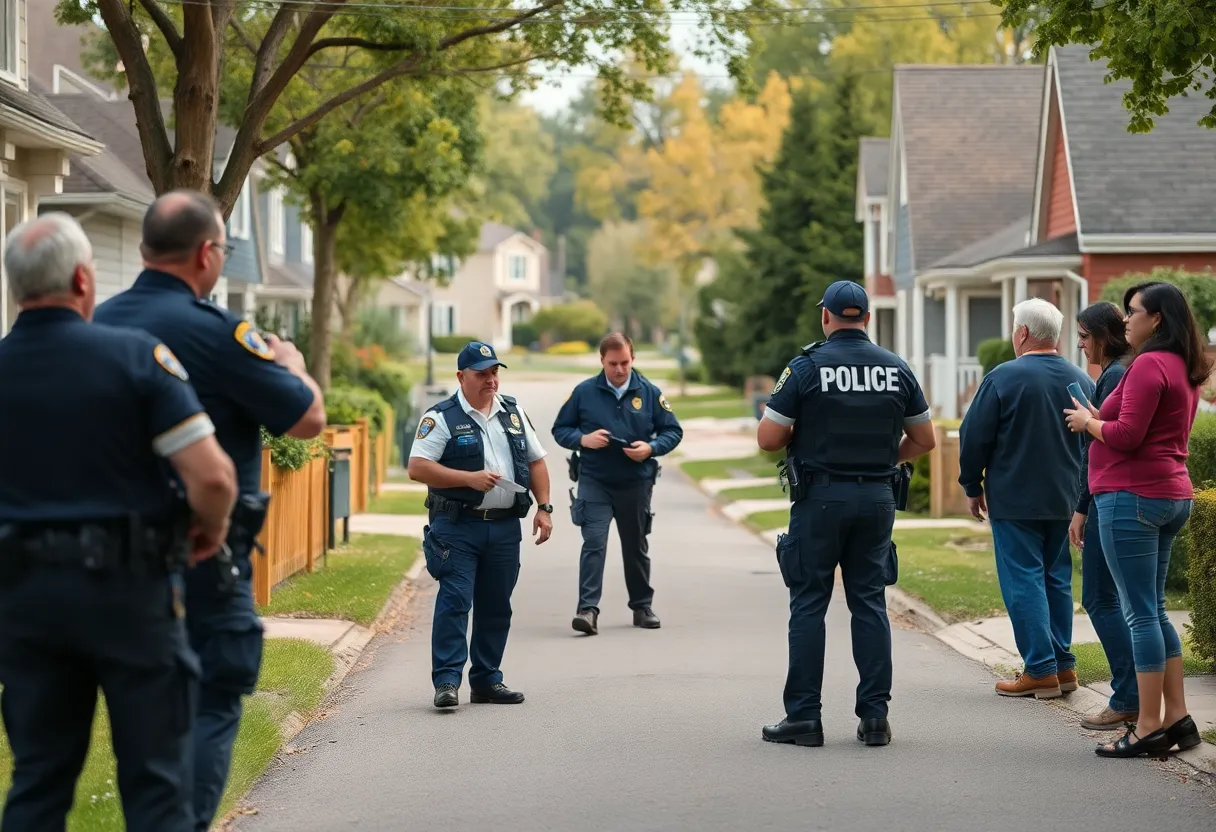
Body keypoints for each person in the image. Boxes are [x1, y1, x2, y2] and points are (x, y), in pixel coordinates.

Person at [93, 189, 326, 831]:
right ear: (206, 253)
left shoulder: (100, 325)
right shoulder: (221, 334)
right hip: (205, 554)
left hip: (113, 557)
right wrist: (295, 365)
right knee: (214, 697)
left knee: (140, 712)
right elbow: (306, 419)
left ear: (144, 250)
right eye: (223, 248)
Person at [0, 213, 237, 831]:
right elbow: (212, 478)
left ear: (17, 287)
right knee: (156, 783)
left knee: (38, 779)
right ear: (84, 279)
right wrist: (207, 530)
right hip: (127, 592)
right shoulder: (134, 357)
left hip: (22, 600)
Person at [757, 280, 937, 748]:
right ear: (868, 319)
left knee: (809, 604)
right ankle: (875, 718)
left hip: (820, 500)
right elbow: (924, 440)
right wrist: (881, 462)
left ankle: (803, 718)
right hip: (877, 498)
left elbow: (768, 438)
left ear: (826, 317)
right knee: (870, 604)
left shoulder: (806, 367)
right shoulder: (897, 369)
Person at [1065, 280, 1210, 758]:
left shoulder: (1148, 363)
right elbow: (1135, 424)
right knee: (1154, 610)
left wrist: (1089, 424)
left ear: (1157, 319)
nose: (1125, 319)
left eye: (1133, 312)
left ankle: (1147, 725)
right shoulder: (1178, 364)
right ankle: (1177, 718)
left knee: (1140, 613)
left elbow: (1125, 436)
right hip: (1167, 493)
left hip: (1133, 496)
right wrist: (1097, 416)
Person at [958, 297, 1093, 700]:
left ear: (1022, 333)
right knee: (1056, 578)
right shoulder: (1080, 380)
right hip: (1065, 498)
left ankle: (1039, 669)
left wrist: (971, 485)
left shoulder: (1003, 377)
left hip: (1015, 498)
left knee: (1023, 579)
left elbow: (973, 436)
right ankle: (1064, 666)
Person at [408, 341, 554, 709]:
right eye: (481, 374)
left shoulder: (513, 412)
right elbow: (418, 467)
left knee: (496, 605)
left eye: (494, 372)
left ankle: (487, 680)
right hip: (457, 527)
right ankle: (446, 682)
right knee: (455, 601)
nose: (490, 380)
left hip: (504, 527)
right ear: (461, 376)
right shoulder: (440, 417)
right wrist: (466, 479)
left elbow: (536, 461)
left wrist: (545, 507)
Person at [551, 332, 683, 635]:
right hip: (595, 480)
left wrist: (650, 449)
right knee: (594, 543)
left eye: (625, 363)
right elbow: (560, 429)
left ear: (633, 359)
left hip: (635, 482)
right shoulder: (584, 393)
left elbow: (672, 431)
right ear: (602, 361)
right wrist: (583, 439)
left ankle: (641, 606)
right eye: (613, 364)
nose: (620, 370)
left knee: (635, 546)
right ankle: (587, 610)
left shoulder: (649, 392)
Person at [1068, 302, 1138, 730]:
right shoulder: (1118, 372)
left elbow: (1100, 447)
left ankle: (1128, 695)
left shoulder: (1114, 375)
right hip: (1114, 496)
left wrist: (1081, 507)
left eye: (1083, 334)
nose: (1079, 343)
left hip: (1110, 498)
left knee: (1100, 598)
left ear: (1103, 335)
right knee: (1130, 605)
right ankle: (1138, 694)